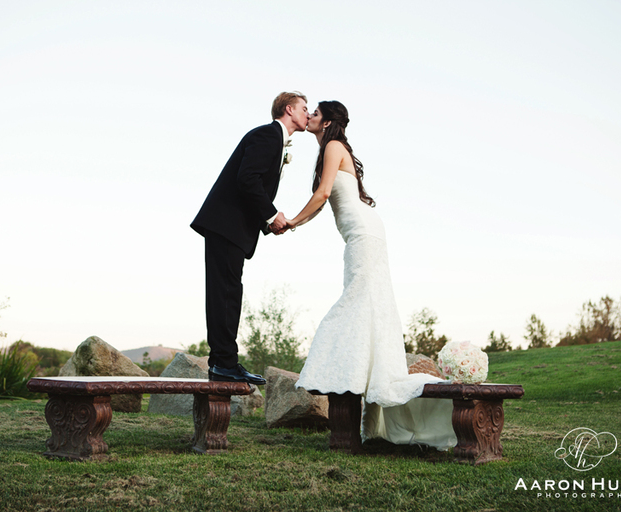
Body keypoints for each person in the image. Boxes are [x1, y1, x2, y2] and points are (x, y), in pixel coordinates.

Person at [288, 101, 456, 450]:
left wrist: (290, 222)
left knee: (356, 301)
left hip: (363, 235)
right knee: (368, 303)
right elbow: (322, 200)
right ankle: (361, 380)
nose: (311, 117)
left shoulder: (333, 146)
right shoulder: (332, 149)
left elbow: (321, 195)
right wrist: (295, 224)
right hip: (364, 234)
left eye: (315, 112)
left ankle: (343, 371)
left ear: (328, 121)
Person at [191, 91, 309, 385]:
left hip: (230, 227)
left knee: (227, 294)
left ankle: (223, 361)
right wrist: (271, 215)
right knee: (226, 295)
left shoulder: (273, 140)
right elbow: (247, 179)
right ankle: (224, 364)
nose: (309, 114)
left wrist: (267, 224)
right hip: (225, 226)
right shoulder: (268, 136)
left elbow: (251, 184)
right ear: (289, 109)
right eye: (305, 108)